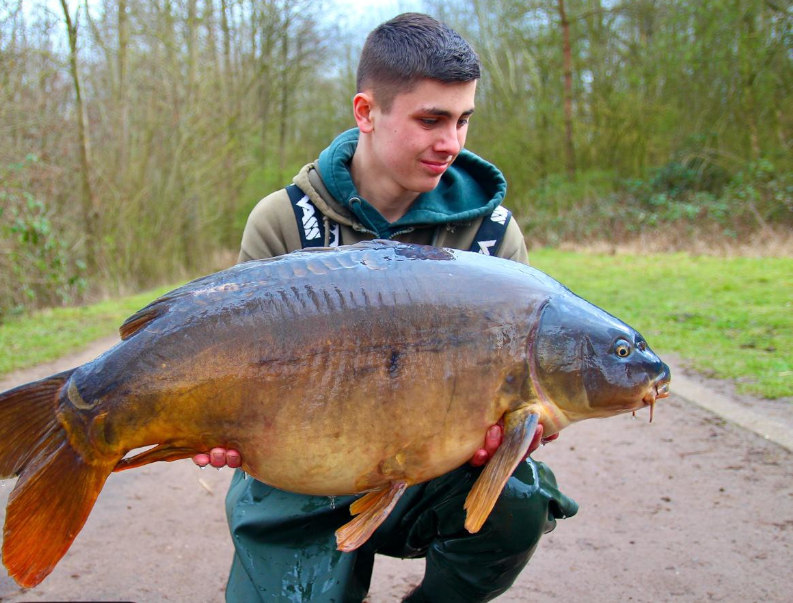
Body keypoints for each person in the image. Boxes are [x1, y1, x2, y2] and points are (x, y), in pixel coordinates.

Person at [196, 13, 577, 602]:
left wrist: (516, 429)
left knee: (519, 497)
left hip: (429, 476)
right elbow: (237, 370)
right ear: (366, 112)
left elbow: (519, 393)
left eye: (462, 120)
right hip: (300, 475)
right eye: (431, 120)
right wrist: (219, 426)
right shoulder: (281, 221)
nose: (450, 142)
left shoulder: (492, 240)